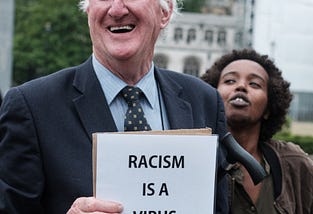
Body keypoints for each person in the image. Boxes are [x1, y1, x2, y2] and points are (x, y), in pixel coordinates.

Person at [0, 0, 231, 213]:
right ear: (88, 10)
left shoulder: (204, 101)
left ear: (165, 11)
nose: (117, 9)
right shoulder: (32, 106)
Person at [201, 48, 313, 214]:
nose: (241, 86)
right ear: (211, 96)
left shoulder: (294, 163)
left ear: (268, 108)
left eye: (254, 84)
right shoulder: (194, 160)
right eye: (229, 81)